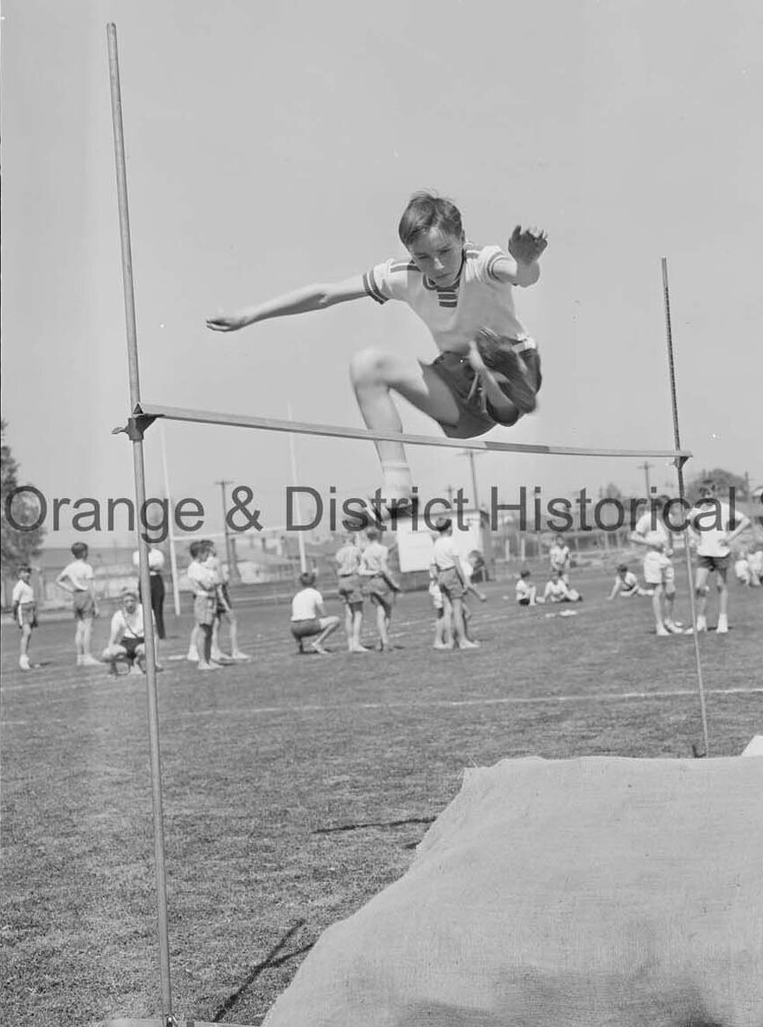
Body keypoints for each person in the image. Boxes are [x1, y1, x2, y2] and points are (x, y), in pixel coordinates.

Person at [207, 191, 547, 526]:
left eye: (445, 251)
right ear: (411, 254)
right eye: (424, 257)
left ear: (462, 238)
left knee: (485, 352)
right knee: (367, 365)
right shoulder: (402, 275)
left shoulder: (483, 261)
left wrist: (526, 262)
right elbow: (326, 294)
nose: (438, 265)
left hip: (515, 368)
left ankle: (497, 377)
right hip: (459, 388)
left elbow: (522, 276)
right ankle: (398, 487)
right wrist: (250, 315)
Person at [687, 485, 750, 633]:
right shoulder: (697, 510)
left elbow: (745, 521)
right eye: (703, 493)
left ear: (714, 492)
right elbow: (685, 524)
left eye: (709, 492)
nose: (706, 496)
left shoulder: (724, 508)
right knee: (698, 586)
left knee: (721, 586)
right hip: (704, 553)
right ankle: (701, 622)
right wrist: (694, 536)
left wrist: (730, 537)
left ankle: (723, 621)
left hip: (721, 552)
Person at [630, 511, 685, 635]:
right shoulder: (647, 518)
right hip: (653, 557)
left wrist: (671, 549)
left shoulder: (668, 518)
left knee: (671, 591)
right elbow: (633, 536)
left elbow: (669, 535)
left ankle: (669, 621)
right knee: (658, 592)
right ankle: (659, 626)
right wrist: (652, 543)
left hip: (666, 558)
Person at [431, 519, 477, 649]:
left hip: (441, 575)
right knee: (457, 609)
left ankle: (450, 641)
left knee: (447, 611)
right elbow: (457, 565)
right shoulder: (451, 543)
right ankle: (462, 640)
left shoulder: (436, 544)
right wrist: (465, 581)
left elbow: (434, 564)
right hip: (451, 574)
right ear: (449, 528)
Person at [358, 525, 402, 651]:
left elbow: (361, 571)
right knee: (387, 613)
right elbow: (384, 568)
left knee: (379, 611)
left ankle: (382, 641)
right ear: (378, 535)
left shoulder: (365, 551)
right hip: (383, 581)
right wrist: (394, 583)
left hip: (372, 582)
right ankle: (385, 641)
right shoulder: (382, 549)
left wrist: (372, 572)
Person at [56, 541, 100, 666]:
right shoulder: (87, 567)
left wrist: (71, 589)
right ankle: (87, 656)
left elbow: (58, 580)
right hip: (86, 596)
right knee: (88, 628)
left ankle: (79, 657)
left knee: (79, 628)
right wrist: (96, 605)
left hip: (76, 596)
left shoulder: (70, 567)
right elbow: (91, 588)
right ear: (85, 552)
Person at [101, 589, 157, 676]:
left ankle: (137, 662)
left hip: (142, 641)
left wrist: (155, 659)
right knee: (106, 654)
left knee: (145, 650)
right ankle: (129, 663)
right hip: (126, 643)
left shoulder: (146, 611)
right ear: (122, 603)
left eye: (132, 601)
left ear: (137, 601)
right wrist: (112, 662)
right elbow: (112, 639)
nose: (129, 604)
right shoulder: (118, 615)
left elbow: (154, 634)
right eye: (126, 601)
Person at [186, 539, 221, 672]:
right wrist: (214, 581)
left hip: (211, 598)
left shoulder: (202, 567)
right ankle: (202, 661)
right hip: (203, 600)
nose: (207, 555)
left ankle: (208, 659)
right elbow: (207, 584)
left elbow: (215, 579)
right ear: (199, 553)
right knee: (203, 630)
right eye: (205, 552)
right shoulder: (194, 567)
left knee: (210, 630)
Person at [210, 551, 251, 662]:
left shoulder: (203, 563)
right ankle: (235, 651)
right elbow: (220, 579)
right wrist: (227, 580)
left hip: (212, 594)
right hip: (220, 593)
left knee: (216, 623)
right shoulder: (216, 560)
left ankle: (215, 650)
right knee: (233, 621)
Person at [334, 531, 370, 653]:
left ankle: (350, 643)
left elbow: (337, 565)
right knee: (358, 613)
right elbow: (362, 564)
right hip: (353, 579)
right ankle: (356, 643)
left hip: (341, 581)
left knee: (348, 614)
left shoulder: (339, 552)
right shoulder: (356, 550)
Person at [289, 572, 341, 654]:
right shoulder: (315, 593)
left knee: (299, 621)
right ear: (314, 582)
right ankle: (318, 642)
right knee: (336, 620)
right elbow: (324, 614)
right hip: (307, 626)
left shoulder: (297, 595)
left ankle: (300, 648)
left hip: (294, 628)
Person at [132, 545, 167, 638]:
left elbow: (159, 566)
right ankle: (146, 634)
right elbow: (140, 565)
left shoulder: (157, 553)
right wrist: (150, 565)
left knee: (158, 608)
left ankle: (160, 634)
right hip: (144, 578)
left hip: (156, 579)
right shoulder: (136, 554)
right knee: (145, 608)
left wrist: (148, 565)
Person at [11, 564, 38, 671]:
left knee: (28, 635)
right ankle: (22, 659)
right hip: (23, 610)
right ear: (19, 574)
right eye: (24, 572)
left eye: (28, 572)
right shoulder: (19, 586)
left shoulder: (28, 585)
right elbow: (14, 602)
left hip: (31, 609)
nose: (27, 574)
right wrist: (13, 613)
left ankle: (26, 659)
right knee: (27, 633)